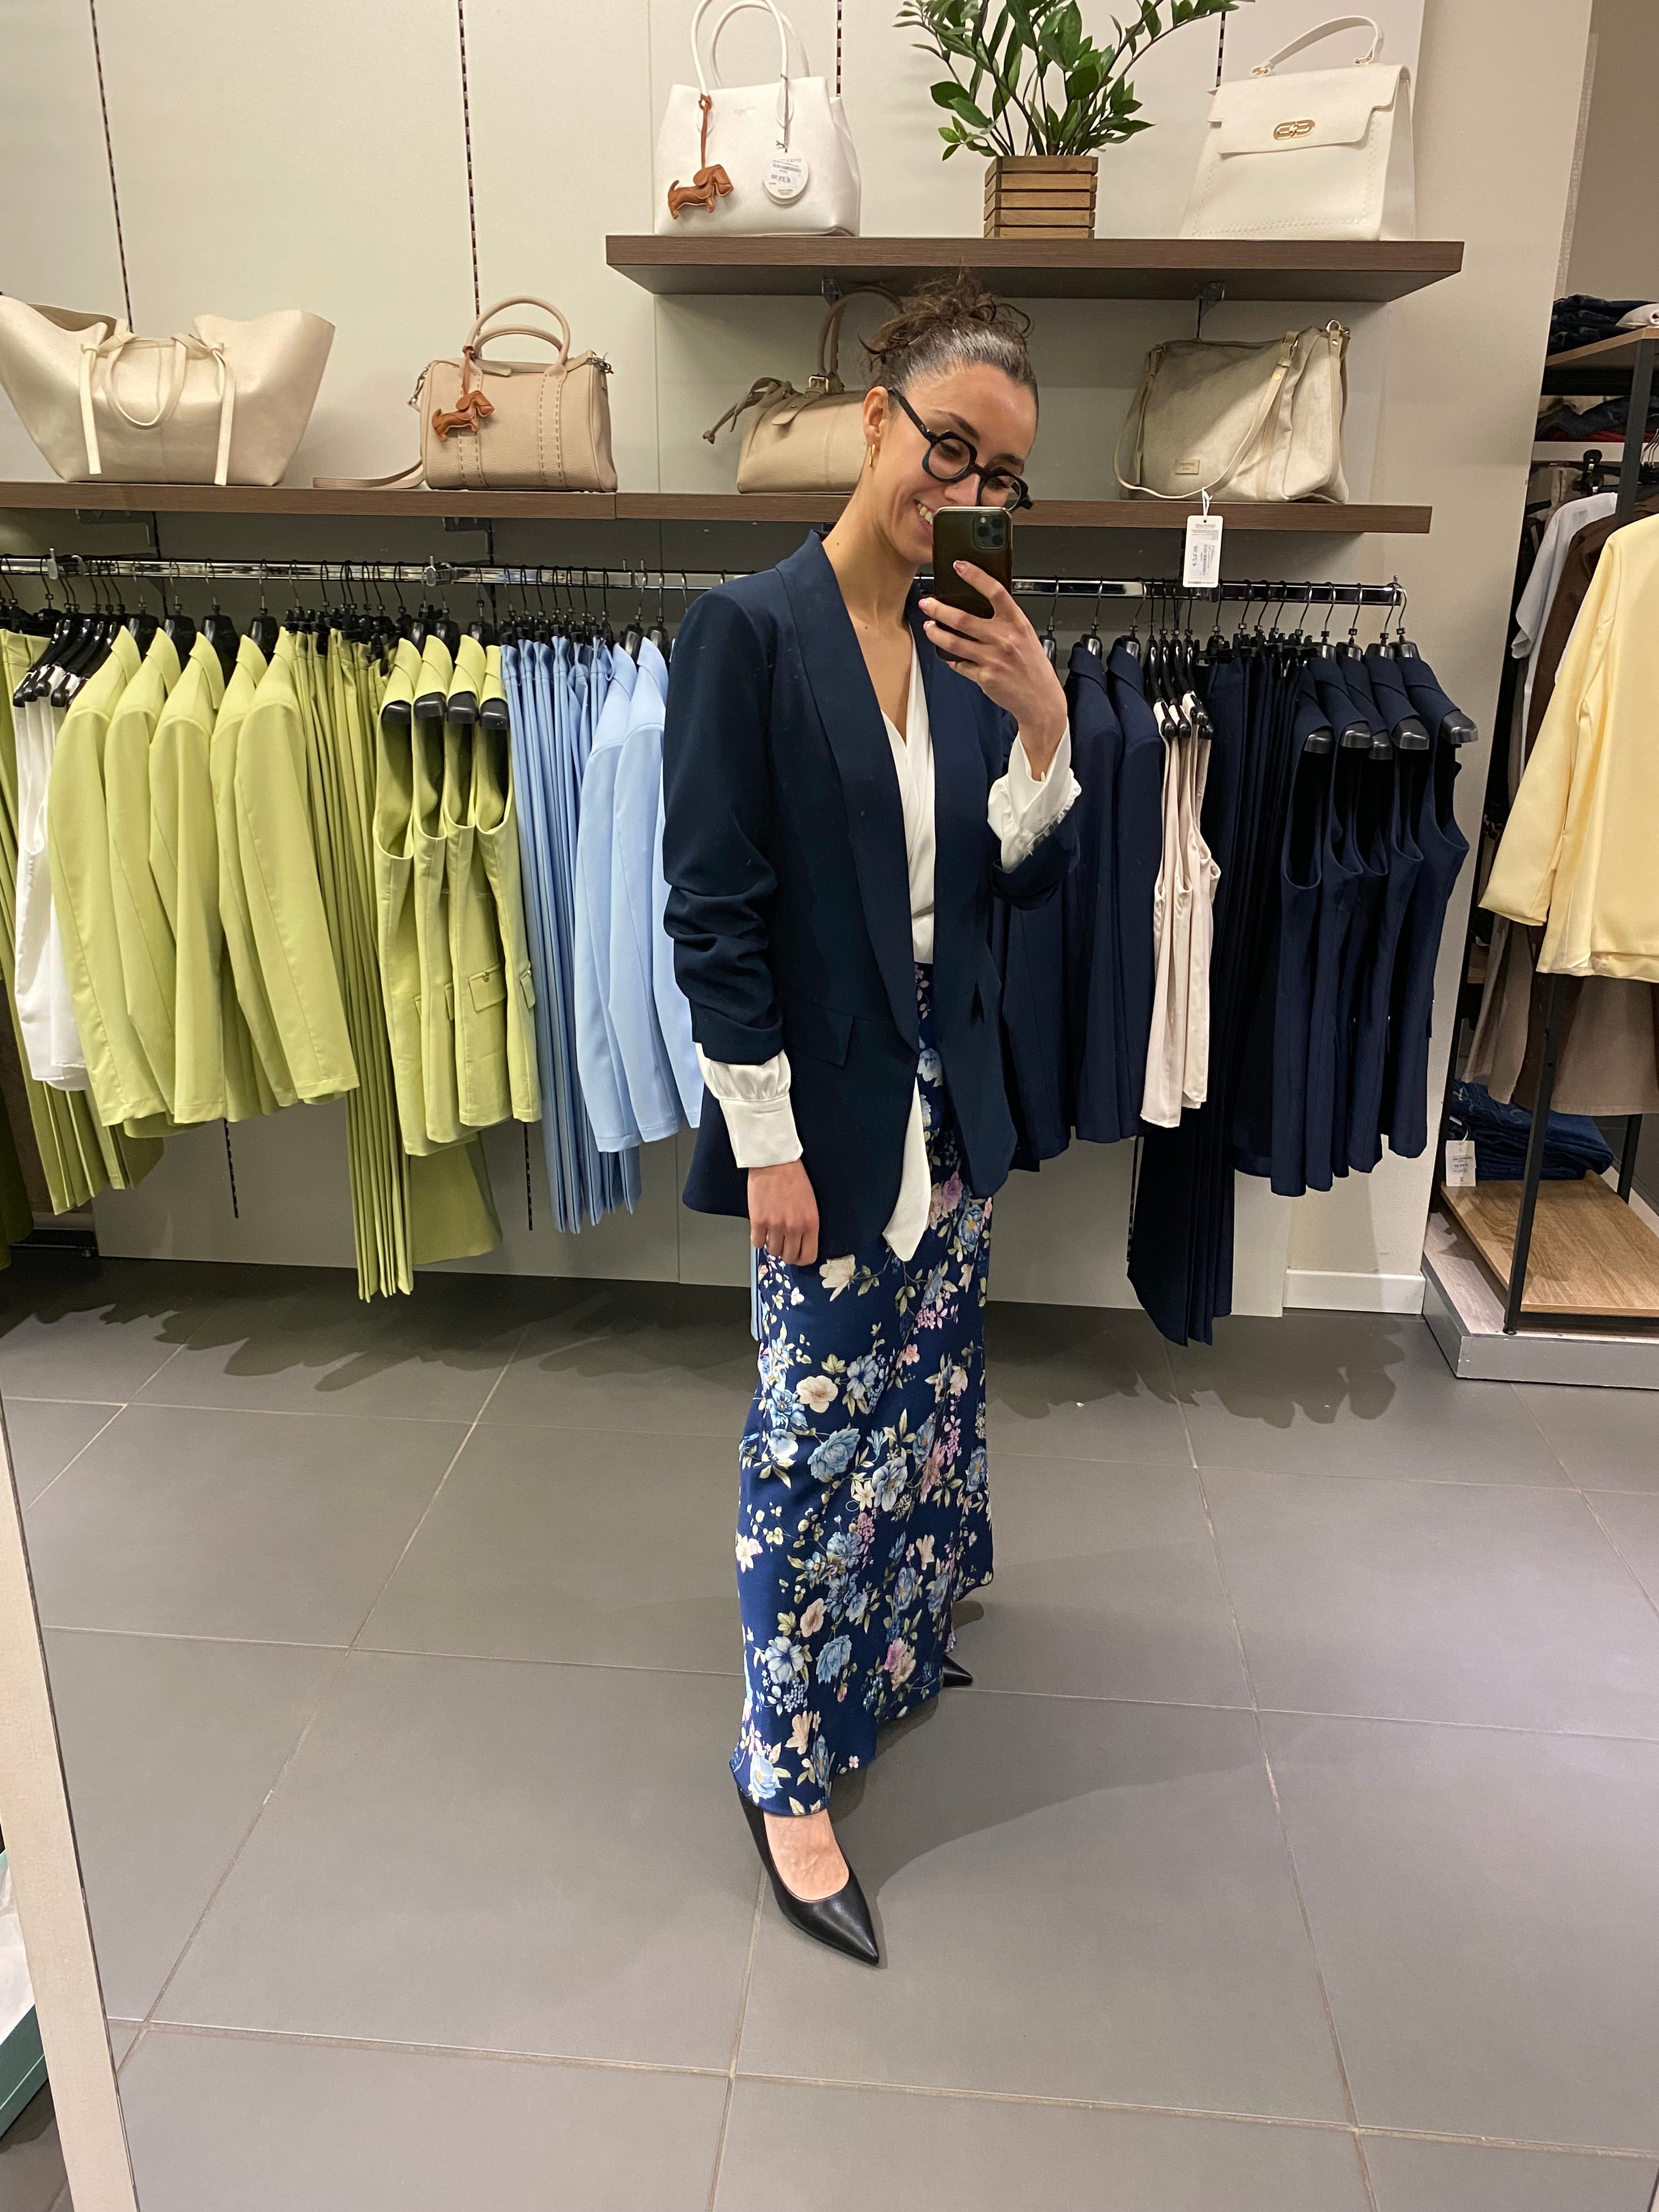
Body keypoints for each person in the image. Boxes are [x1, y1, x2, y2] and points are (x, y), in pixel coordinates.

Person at [662, 275, 1079, 1966]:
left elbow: (1002, 886)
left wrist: (1045, 732)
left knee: (922, 1402)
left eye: (1002, 476)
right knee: (811, 1440)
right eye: (950, 448)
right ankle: (781, 1772)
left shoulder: (968, 646)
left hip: (950, 1108)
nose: (967, 490)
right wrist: (764, 1138)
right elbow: (715, 914)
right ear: (874, 422)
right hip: (824, 1119)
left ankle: (891, 1653)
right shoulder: (749, 634)